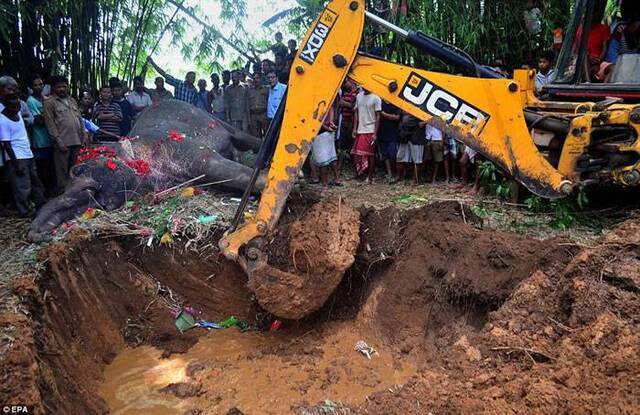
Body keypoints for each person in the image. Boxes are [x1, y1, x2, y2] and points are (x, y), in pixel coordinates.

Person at [0, 93, 45, 217]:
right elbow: (6, 144)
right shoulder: (2, 120)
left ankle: (39, 205)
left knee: (36, 181)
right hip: (17, 156)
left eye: (18, 107)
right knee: (22, 186)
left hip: (28, 153)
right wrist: (15, 163)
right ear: (5, 106)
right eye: (13, 108)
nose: (16, 110)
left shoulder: (18, 113)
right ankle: (25, 211)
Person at [43, 76, 85, 195]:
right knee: (62, 171)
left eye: (64, 86)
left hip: (77, 140)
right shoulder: (49, 102)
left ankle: (74, 192)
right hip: (63, 141)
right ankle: (63, 195)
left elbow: (80, 119)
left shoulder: (72, 100)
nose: (62, 89)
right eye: (59, 87)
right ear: (54, 88)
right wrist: (58, 140)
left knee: (75, 169)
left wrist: (84, 134)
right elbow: (50, 123)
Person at [26, 75, 56, 196]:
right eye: (35, 85)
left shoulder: (45, 99)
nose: (39, 87)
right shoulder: (31, 101)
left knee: (51, 167)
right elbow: (40, 121)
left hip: (50, 139)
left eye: (40, 84)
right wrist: (47, 110)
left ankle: (50, 190)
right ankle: (44, 192)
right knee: (42, 169)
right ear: (31, 87)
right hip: (40, 140)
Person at [351, 88, 381, 183]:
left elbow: (378, 116)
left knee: (370, 154)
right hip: (360, 129)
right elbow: (356, 112)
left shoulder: (376, 98)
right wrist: (355, 128)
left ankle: (370, 177)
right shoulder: (359, 96)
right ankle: (361, 174)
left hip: (370, 129)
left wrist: (375, 133)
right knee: (358, 153)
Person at [311, 101, 340, 191]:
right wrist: (331, 123)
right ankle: (337, 179)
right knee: (331, 156)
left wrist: (327, 126)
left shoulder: (314, 102)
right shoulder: (326, 101)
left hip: (320, 133)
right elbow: (330, 108)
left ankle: (325, 185)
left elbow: (316, 119)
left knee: (323, 160)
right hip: (328, 132)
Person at [395, 112, 423, 184]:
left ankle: (415, 180)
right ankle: (398, 177)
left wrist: (423, 123)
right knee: (400, 157)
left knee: (417, 159)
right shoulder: (406, 104)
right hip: (405, 135)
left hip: (416, 136)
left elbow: (429, 118)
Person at [337, 79, 358, 170]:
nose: (345, 85)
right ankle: (339, 166)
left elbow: (355, 108)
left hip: (352, 122)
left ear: (352, 82)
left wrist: (344, 103)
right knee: (342, 145)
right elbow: (340, 104)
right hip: (344, 120)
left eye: (346, 83)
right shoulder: (346, 93)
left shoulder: (357, 94)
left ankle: (355, 166)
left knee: (353, 145)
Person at [377, 101, 401, 181]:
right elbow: (378, 116)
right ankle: (389, 173)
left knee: (393, 154)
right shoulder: (381, 102)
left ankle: (394, 173)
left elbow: (397, 117)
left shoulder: (395, 103)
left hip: (393, 133)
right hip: (382, 131)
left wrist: (384, 115)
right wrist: (390, 117)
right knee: (385, 154)